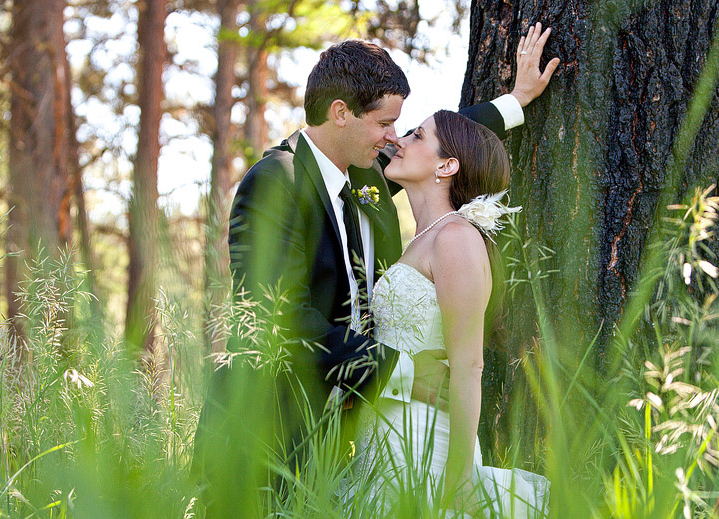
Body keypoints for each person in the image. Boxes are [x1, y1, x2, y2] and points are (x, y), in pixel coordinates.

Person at [193, 27, 559, 488]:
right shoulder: (276, 183)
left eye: (401, 127)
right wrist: (402, 372)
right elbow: (276, 317)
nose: (394, 139)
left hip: (352, 445)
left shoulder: (366, 181)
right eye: (385, 124)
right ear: (341, 113)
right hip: (267, 437)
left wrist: (516, 101)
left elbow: (443, 149)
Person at [352, 109, 550, 519]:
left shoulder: (457, 238)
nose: (399, 141)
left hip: (425, 445)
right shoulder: (418, 241)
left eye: (417, 135)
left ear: (447, 166)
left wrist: (461, 473)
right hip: (383, 435)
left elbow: (467, 365)